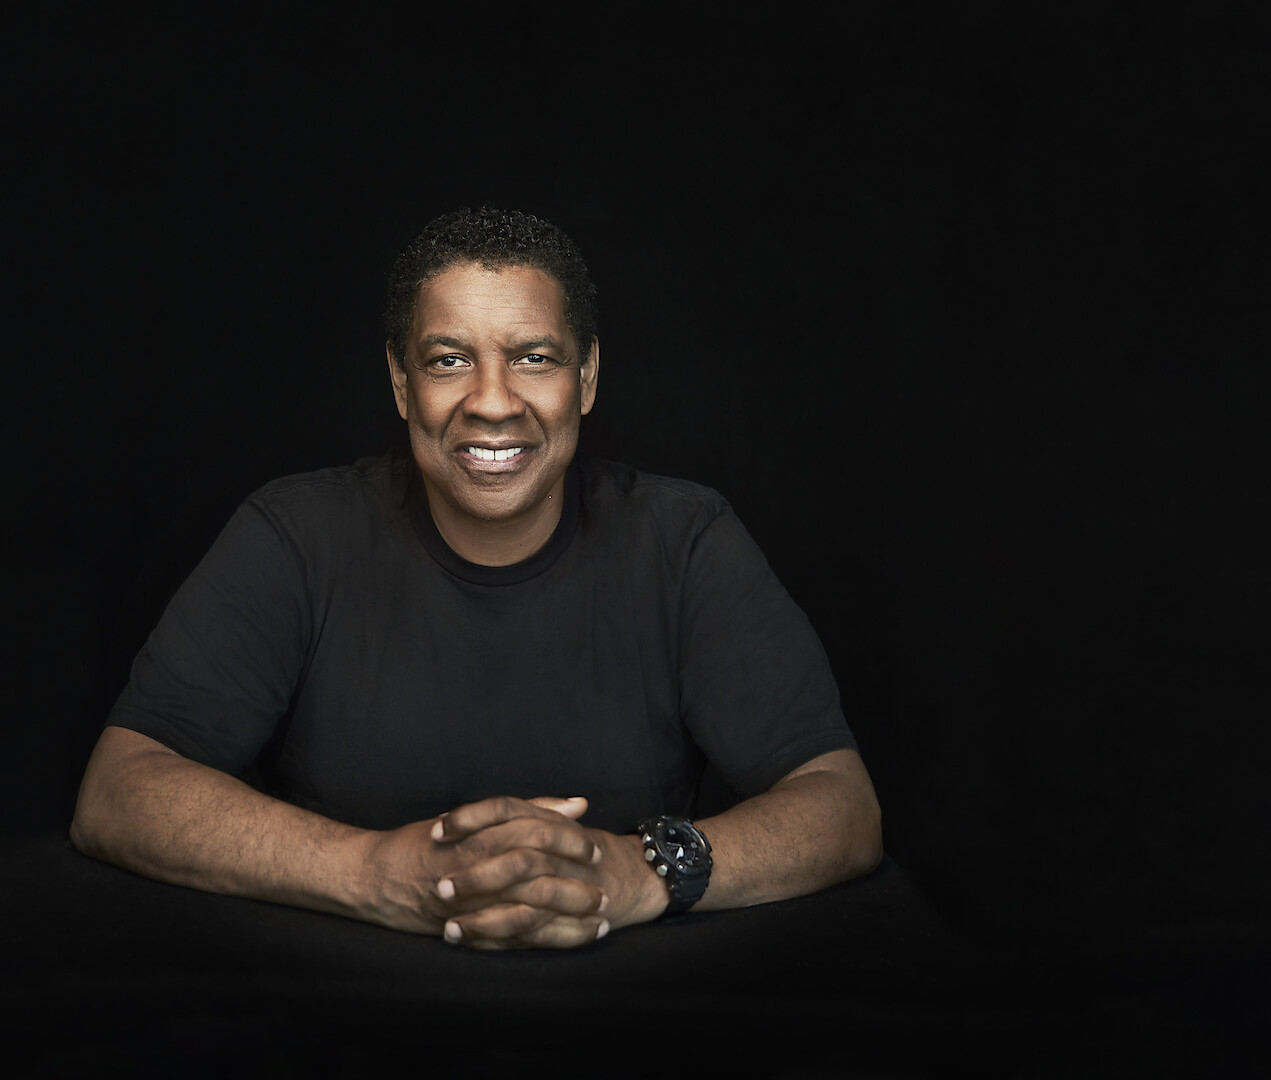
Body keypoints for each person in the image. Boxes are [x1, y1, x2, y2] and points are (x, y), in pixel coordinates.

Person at [71, 207, 882, 950]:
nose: (493, 402)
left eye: (534, 358)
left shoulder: (685, 543)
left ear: (586, 378)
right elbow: (118, 790)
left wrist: (637, 873)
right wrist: (374, 874)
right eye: (449, 360)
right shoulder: (294, 537)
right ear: (402, 384)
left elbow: (842, 805)